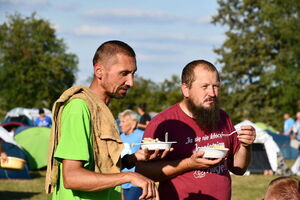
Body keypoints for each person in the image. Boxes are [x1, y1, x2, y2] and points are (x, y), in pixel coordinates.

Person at [45, 40, 171, 200]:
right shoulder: (79, 108)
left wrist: (133, 159)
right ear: (99, 71)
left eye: (133, 74)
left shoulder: (100, 110)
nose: (131, 82)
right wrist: (128, 177)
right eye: (124, 73)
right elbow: (72, 177)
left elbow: (99, 166)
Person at [136, 59, 256, 200]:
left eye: (215, 86)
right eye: (204, 87)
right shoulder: (164, 122)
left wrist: (245, 145)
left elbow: (238, 168)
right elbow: (143, 171)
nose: (212, 93)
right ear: (186, 89)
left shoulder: (222, 117)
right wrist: (189, 164)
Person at [119, 109, 144, 200]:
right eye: (120, 121)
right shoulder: (120, 137)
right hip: (122, 180)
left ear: (133, 123)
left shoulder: (141, 135)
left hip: (136, 181)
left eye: (123, 121)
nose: (120, 124)